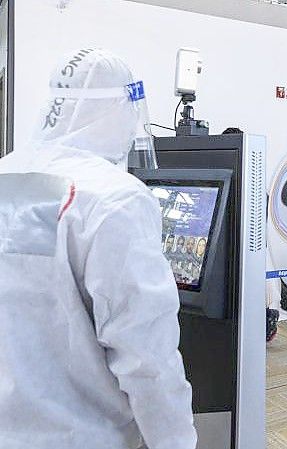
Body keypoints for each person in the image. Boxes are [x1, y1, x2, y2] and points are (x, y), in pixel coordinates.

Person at [0, 49, 195, 449]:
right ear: (119, 108)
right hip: (81, 434)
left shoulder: (9, 173)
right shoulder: (113, 198)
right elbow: (146, 357)